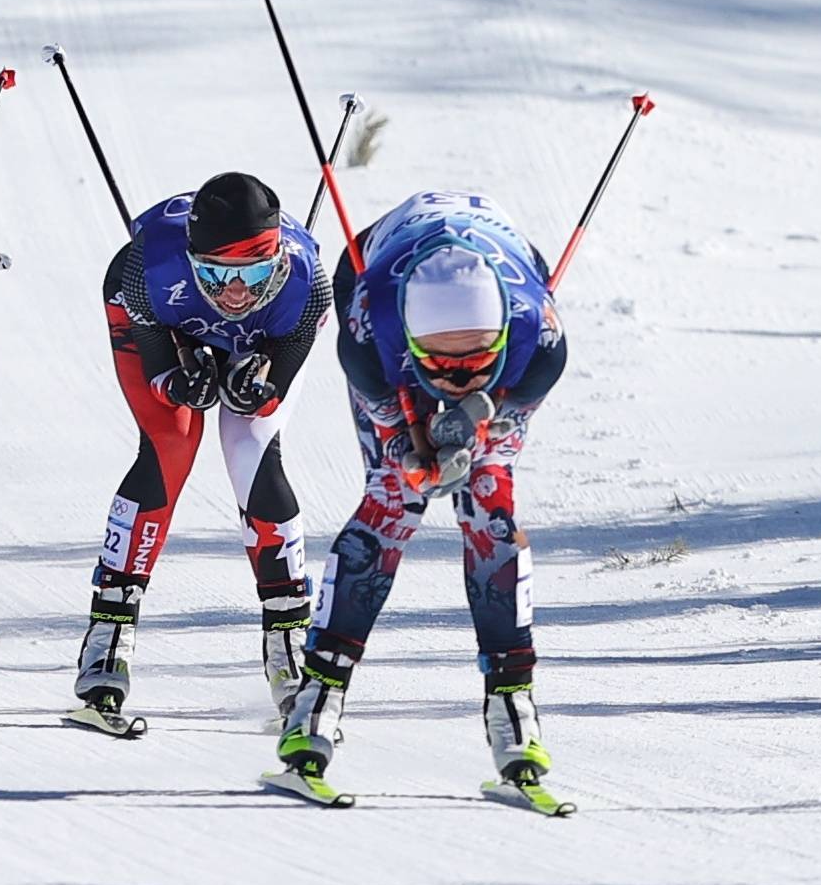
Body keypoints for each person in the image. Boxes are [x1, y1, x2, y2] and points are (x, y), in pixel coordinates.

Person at [279, 192, 567, 798]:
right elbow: (402, 445)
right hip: (378, 262)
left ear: (504, 339)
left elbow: (494, 439)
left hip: (509, 266)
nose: (457, 377)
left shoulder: (540, 343)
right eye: (440, 365)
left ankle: (512, 704)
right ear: (410, 345)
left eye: (474, 364)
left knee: (488, 503)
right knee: (393, 498)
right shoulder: (366, 335)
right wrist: (416, 454)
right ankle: (316, 699)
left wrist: (475, 424)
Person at [72, 170, 324, 735]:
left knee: (253, 447)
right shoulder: (144, 270)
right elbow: (159, 366)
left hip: (263, 339)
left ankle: (289, 642)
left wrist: (262, 381)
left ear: (279, 259)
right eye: (217, 274)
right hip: (162, 325)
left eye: (255, 274)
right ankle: (109, 635)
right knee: (169, 443)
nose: (236, 292)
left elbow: (286, 360)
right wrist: (178, 381)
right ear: (192, 259)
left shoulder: (309, 281)